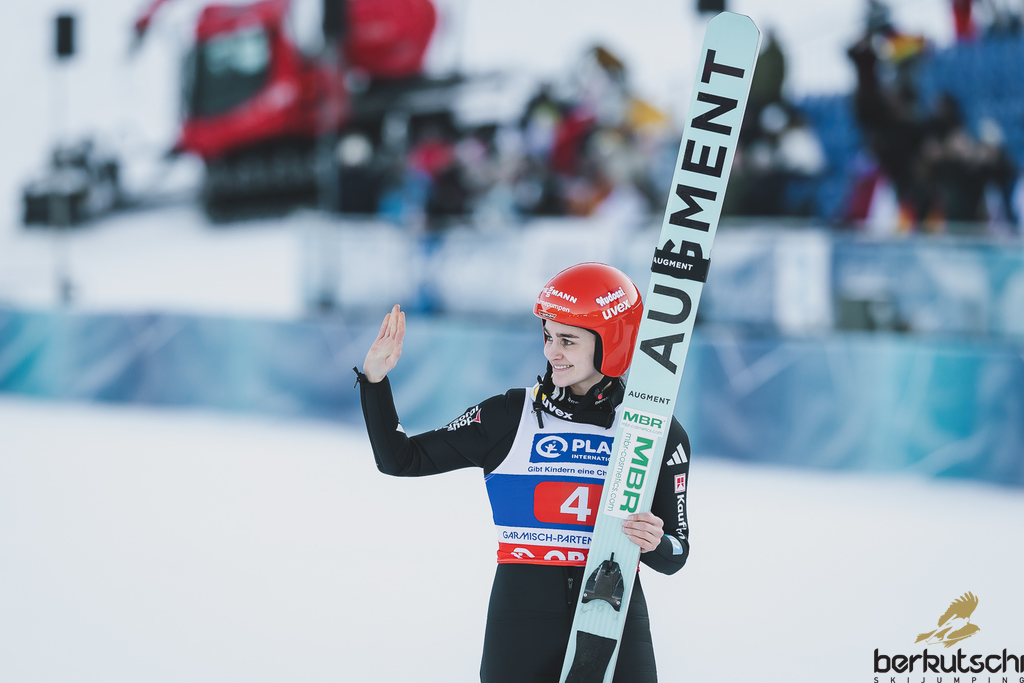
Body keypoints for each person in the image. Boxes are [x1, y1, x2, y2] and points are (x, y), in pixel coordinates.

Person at [354, 262, 691, 682]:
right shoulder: (510, 415)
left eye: (568, 340)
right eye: (548, 336)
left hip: (615, 621)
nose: (552, 352)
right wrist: (375, 381)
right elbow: (401, 459)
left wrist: (655, 542)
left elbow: (677, 551)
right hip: (521, 625)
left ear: (611, 342)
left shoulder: (654, 431)